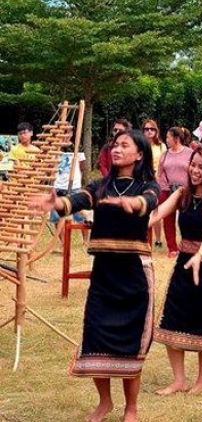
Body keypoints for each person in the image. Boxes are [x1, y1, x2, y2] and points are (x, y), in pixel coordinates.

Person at [31, 129, 158, 422]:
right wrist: (57, 204)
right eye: (115, 144)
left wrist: (133, 204)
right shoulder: (101, 185)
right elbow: (77, 200)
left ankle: (131, 409)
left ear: (139, 154)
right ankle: (104, 403)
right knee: (96, 337)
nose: (117, 149)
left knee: (130, 345)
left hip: (134, 275)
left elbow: (148, 202)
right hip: (104, 276)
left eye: (125, 145)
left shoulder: (146, 185)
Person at [150, 146, 202, 395]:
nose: (195, 170)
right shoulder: (183, 194)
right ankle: (178, 380)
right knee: (173, 315)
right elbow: (158, 213)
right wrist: (130, 224)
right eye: (193, 165)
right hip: (184, 263)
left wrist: (200, 253)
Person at [157, 127, 193, 259]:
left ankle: (188, 244)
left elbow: (194, 170)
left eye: (168, 137)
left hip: (186, 189)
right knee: (167, 219)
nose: (166, 140)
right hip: (168, 189)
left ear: (176, 139)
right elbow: (160, 173)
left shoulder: (190, 153)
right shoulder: (165, 154)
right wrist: (162, 186)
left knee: (187, 218)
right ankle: (172, 247)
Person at [143, 119, 166, 248]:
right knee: (143, 209)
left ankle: (157, 239)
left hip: (157, 179)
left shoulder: (161, 146)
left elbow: (164, 164)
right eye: (146, 129)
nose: (149, 131)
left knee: (156, 209)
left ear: (156, 131)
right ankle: (142, 237)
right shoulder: (139, 145)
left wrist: (157, 177)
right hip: (142, 178)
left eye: (152, 129)